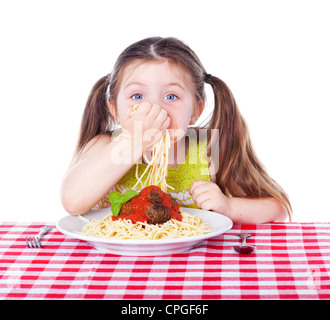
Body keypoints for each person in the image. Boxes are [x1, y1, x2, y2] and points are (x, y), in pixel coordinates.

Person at [61, 37, 292, 224]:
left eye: (171, 96)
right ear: (114, 108)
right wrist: (133, 140)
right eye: (137, 96)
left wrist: (229, 206)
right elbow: (72, 201)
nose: (154, 108)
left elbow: (276, 208)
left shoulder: (209, 150)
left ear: (196, 110)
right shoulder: (105, 145)